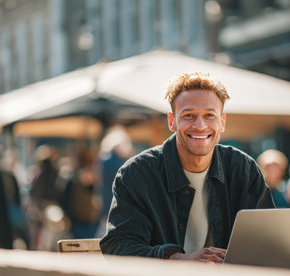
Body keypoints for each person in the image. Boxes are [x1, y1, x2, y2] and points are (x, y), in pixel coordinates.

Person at [100, 72, 274, 262]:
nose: (200, 126)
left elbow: (270, 238)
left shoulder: (243, 169)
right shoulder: (136, 174)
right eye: (189, 115)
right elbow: (118, 247)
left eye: (209, 115)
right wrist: (178, 259)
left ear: (222, 122)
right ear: (172, 121)